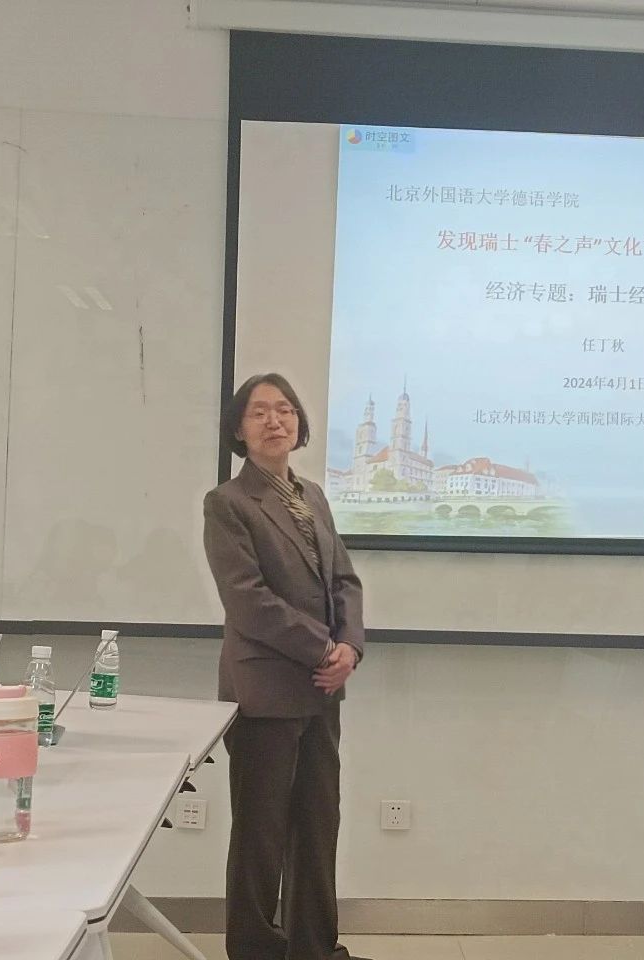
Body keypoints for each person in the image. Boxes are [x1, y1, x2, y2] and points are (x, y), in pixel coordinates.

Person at [203, 373, 368, 960]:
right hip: (265, 694)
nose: (275, 421)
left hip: (323, 691)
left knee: (319, 827)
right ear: (238, 429)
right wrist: (324, 650)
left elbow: (344, 581)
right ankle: (254, 951)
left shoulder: (313, 495)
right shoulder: (228, 503)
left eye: (285, 410)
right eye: (259, 412)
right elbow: (247, 599)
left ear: (299, 422)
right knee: (261, 836)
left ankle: (314, 949)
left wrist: (350, 648)